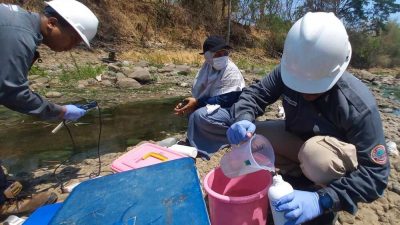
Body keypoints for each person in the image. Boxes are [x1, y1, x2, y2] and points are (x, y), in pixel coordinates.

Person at [0, 0, 98, 216]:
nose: (72, 47)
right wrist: (60, 111)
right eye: (73, 39)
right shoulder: (19, 34)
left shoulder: (19, 24)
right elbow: (12, 92)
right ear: (52, 23)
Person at [174, 35, 245, 156]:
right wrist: (187, 103)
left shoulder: (230, 70)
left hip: (231, 109)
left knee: (199, 115)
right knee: (190, 112)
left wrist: (197, 103)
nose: (222, 57)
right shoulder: (206, 68)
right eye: (218, 54)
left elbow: (228, 99)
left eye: (225, 53)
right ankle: (198, 141)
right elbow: (200, 93)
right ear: (208, 56)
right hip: (215, 105)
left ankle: (231, 137)